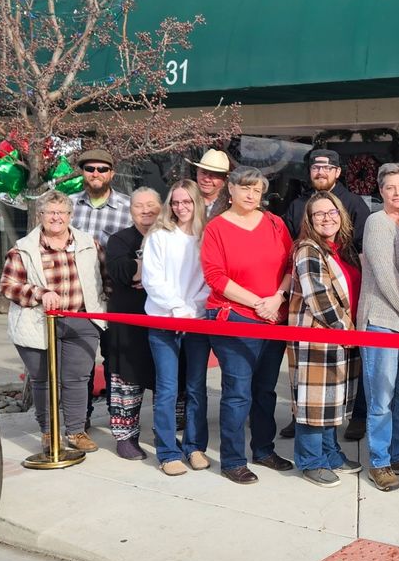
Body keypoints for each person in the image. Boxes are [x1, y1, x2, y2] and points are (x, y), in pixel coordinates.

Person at [201, 166, 294, 484]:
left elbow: (290, 265)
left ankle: (264, 450)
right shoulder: (216, 228)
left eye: (257, 189)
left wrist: (278, 298)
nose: (251, 194)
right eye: (245, 188)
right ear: (231, 190)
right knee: (238, 392)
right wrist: (258, 303)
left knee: (265, 390)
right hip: (236, 317)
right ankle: (232, 459)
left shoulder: (275, 223)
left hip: (274, 316)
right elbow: (215, 277)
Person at [1, 190, 106, 454]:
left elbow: (105, 280)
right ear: (40, 216)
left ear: (70, 215)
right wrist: (39, 293)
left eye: (62, 212)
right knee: (42, 380)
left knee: (77, 379)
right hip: (36, 322)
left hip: (81, 320)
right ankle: (49, 431)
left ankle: (75, 431)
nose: (56, 217)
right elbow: (8, 285)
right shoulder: (23, 249)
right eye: (50, 212)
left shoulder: (89, 244)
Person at [281, 148, 372, 442]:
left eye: (326, 167)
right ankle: (306, 431)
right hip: (320, 312)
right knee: (314, 386)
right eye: (315, 168)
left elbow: (363, 253)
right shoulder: (296, 206)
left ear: (337, 172)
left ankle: (356, 419)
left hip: (352, 301)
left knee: (346, 380)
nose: (320, 172)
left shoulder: (355, 204)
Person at [287, 193, 363, 488]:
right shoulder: (308, 250)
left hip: (339, 338)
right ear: (309, 220)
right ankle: (310, 460)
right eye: (318, 214)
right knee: (313, 402)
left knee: (331, 401)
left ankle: (330, 453)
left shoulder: (340, 249)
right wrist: (347, 329)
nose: (326, 218)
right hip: (318, 337)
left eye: (331, 212)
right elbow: (319, 299)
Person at [359, 164, 399, 492]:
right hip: (383, 320)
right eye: (390, 188)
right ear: (380, 191)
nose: (397, 193)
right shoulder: (376, 222)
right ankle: (380, 460)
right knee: (381, 397)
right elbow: (386, 277)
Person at [142, 180, 212, 476]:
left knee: (197, 388)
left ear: (197, 203)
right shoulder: (159, 235)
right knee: (167, 388)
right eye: (175, 202)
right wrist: (176, 308)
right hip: (163, 319)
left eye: (187, 202)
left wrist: (193, 308)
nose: (180, 207)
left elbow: (212, 277)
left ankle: (194, 446)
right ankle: (168, 451)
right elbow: (152, 278)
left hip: (197, 320)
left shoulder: (208, 235)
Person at [68, 148, 131, 426]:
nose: (96, 174)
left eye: (102, 169)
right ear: (82, 172)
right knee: (80, 362)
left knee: (115, 360)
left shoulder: (130, 208)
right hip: (78, 299)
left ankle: (119, 419)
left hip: (114, 298)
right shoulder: (67, 206)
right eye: (90, 168)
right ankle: (81, 420)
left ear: (112, 173)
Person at [104, 188, 162, 461]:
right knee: (127, 377)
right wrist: (147, 269)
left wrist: (141, 271)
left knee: (166, 378)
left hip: (163, 317)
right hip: (128, 318)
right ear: (131, 210)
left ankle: (166, 432)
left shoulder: (170, 237)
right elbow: (120, 272)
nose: (146, 210)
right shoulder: (119, 239)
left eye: (151, 205)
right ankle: (126, 437)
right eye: (139, 206)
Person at [188, 149, 232, 217]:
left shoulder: (230, 206)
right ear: (197, 172)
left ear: (224, 179)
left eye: (214, 175)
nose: (206, 179)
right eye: (203, 173)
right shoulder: (185, 199)